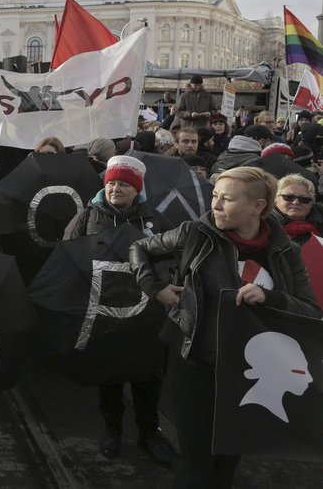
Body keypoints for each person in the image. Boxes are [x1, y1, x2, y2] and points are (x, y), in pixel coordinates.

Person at [130, 166, 321, 487]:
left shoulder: (285, 251)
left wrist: (270, 297)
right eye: (214, 196)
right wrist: (154, 286)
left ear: (259, 206)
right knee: (196, 467)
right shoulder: (195, 232)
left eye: (227, 199)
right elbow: (140, 248)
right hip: (194, 362)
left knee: (227, 464)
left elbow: (312, 311)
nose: (215, 206)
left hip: (247, 374)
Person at [63, 156, 176, 465]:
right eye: (111, 183)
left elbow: (172, 259)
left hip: (146, 311)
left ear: (136, 189)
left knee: (148, 376)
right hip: (105, 308)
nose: (115, 189)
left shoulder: (154, 219)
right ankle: (111, 429)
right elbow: (69, 256)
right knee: (109, 374)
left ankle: (149, 432)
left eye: (123, 184)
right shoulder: (87, 217)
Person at [273, 173, 323, 246]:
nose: (296, 202)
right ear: (275, 200)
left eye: (304, 199)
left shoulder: (320, 223)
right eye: (288, 197)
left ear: (312, 203)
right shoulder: (262, 227)